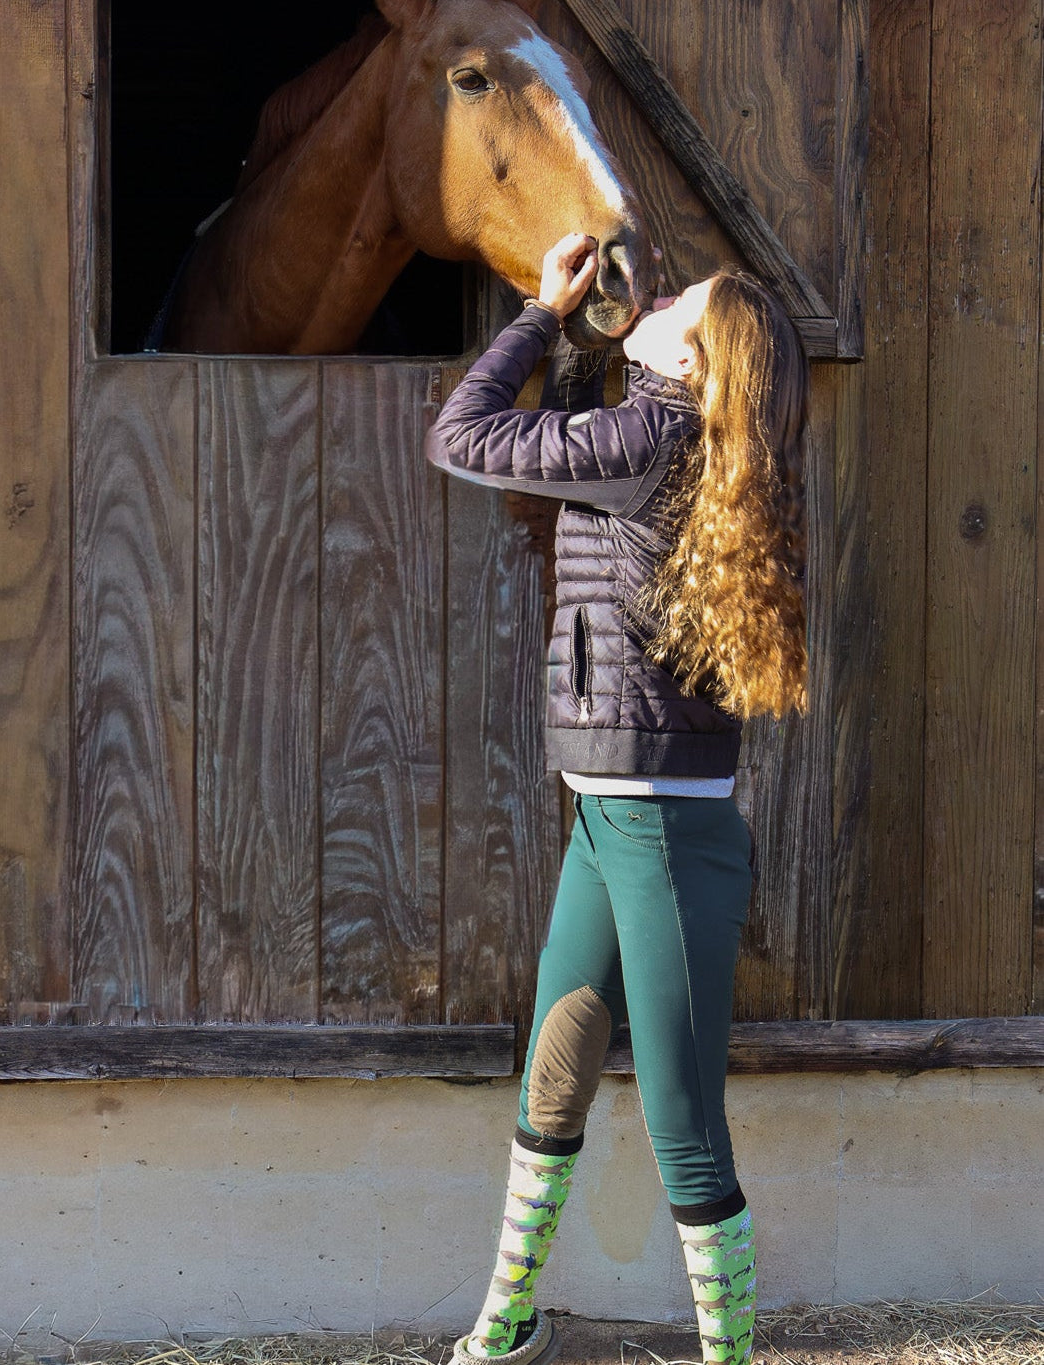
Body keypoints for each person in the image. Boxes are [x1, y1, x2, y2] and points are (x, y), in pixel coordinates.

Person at [424, 233, 809, 1365]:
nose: (665, 289)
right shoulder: (659, 426)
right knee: (554, 1082)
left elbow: (463, 437)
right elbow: (555, 454)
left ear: (695, 367)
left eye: (683, 302)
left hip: (662, 834)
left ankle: (730, 1356)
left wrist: (543, 318)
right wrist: (598, 343)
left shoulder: (655, 436)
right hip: (610, 814)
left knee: (684, 1130)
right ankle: (506, 1325)